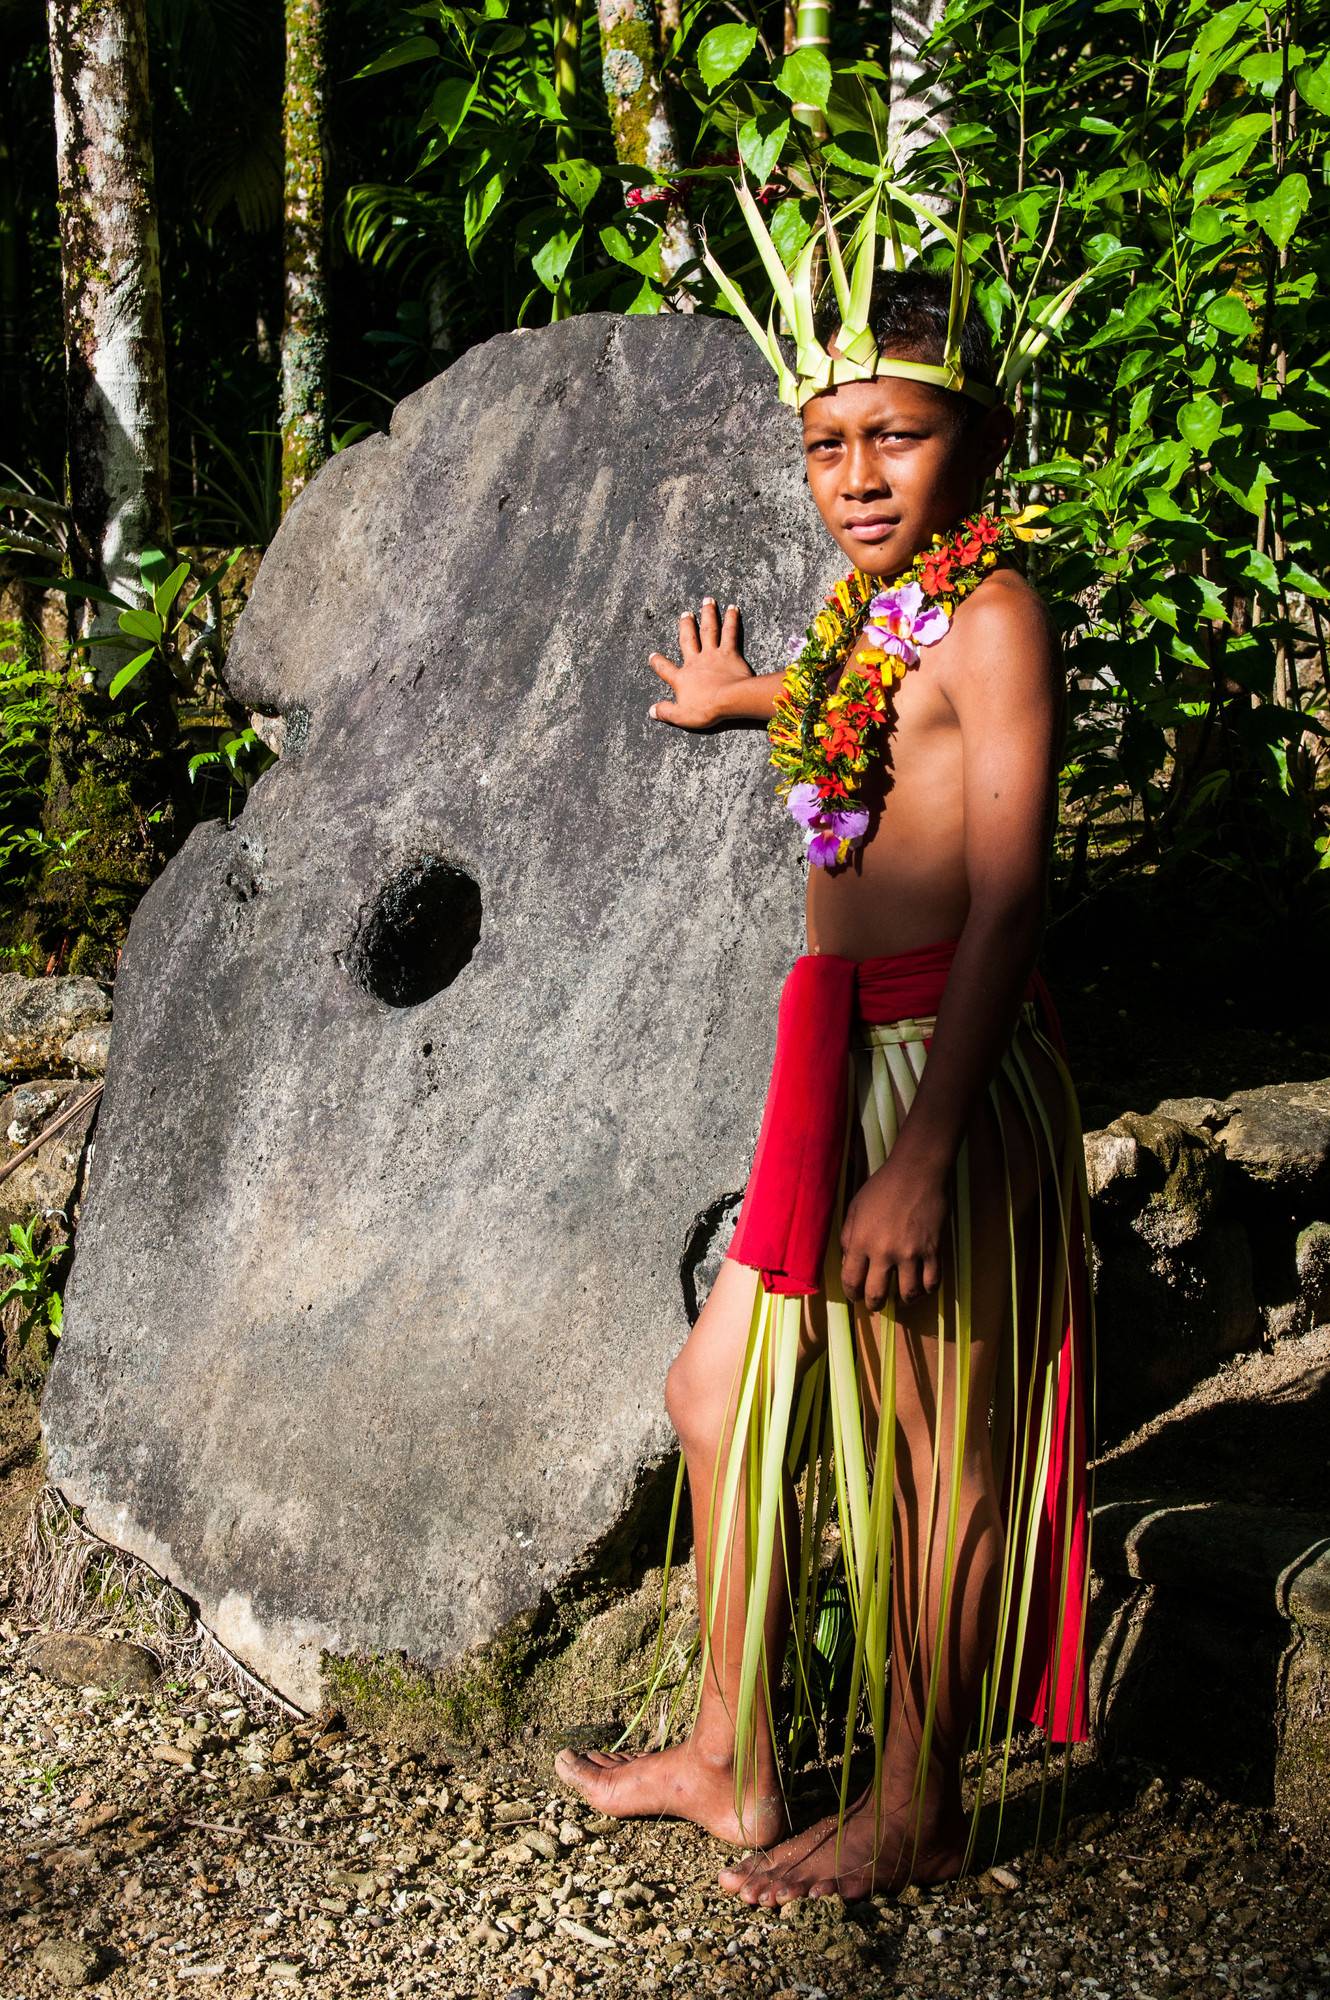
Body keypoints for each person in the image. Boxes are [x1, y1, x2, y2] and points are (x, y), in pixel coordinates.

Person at [555, 237, 1091, 1903]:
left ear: (974, 442)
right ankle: (732, 1756)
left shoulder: (992, 611)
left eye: (896, 438)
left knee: (940, 1452)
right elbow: (870, 707)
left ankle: (921, 1798)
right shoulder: (881, 607)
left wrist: (926, 1154)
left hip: (936, 1068)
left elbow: (1008, 891)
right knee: (711, 1395)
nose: (857, 476)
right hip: (832, 1054)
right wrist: (747, 700)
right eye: (827, 443)